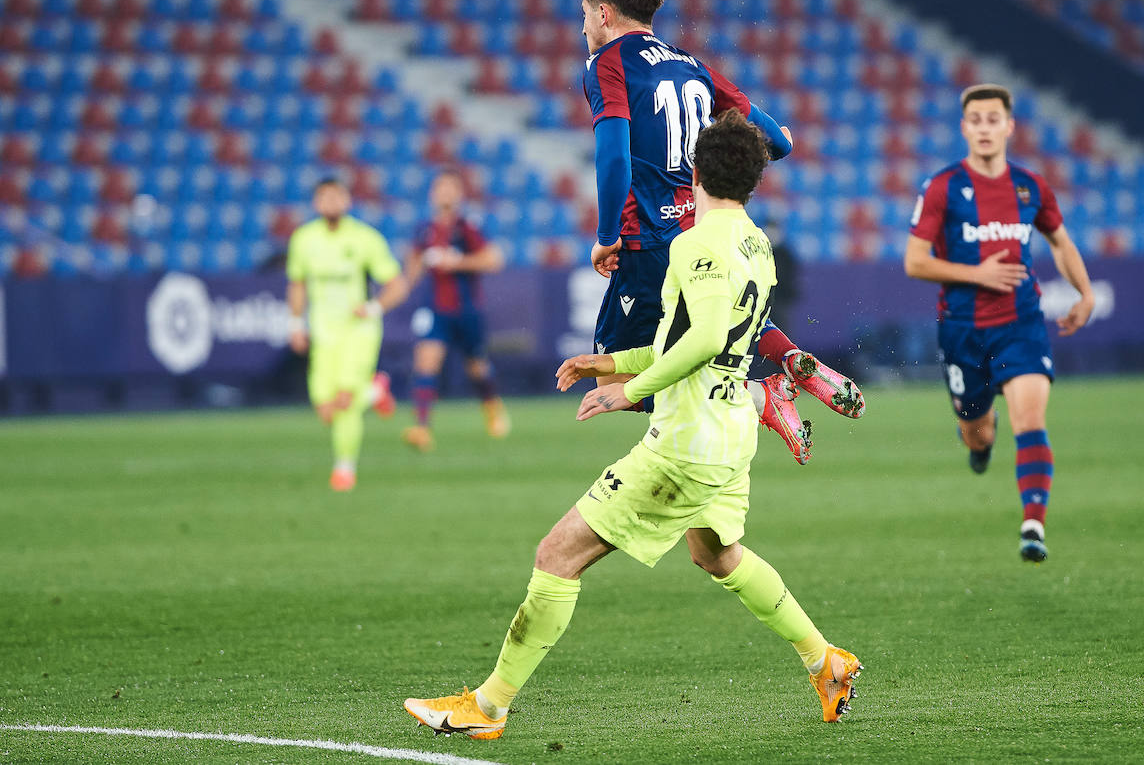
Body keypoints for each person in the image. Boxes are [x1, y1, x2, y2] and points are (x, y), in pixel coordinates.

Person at [403, 111, 862, 740]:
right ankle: (825, 660)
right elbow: (698, 337)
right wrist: (610, 362)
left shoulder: (696, 244)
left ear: (693, 171)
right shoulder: (757, 243)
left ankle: (487, 706)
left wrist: (629, 392)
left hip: (686, 444)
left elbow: (700, 338)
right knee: (715, 551)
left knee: (557, 555)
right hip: (731, 433)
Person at [577, 0, 864, 466]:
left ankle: (762, 396)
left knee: (619, 369)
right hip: (706, 229)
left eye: (586, 16)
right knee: (709, 338)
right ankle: (787, 357)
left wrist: (607, 235)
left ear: (604, 11)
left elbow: (613, 154)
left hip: (650, 240)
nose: (585, 28)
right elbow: (779, 141)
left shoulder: (606, 64)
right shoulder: (691, 65)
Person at [903, 84, 1094, 562]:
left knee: (1030, 419)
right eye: (976, 120)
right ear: (964, 127)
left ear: (1009, 127)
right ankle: (978, 443)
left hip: (1021, 323)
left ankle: (1033, 523)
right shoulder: (943, 187)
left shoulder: (1031, 187)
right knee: (978, 429)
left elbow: (1061, 243)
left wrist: (1085, 293)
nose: (985, 128)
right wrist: (978, 274)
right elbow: (915, 262)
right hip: (963, 330)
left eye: (994, 119)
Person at [286, 178, 410, 491]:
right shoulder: (304, 239)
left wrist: (372, 308)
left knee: (345, 401)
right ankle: (375, 392)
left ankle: (344, 469)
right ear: (316, 203)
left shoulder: (364, 238)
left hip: (358, 333)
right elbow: (297, 283)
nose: (330, 202)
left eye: (336, 196)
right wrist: (296, 324)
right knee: (325, 408)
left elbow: (397, 284)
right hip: (323, 333)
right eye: (324, 197)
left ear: (347, 201)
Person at [401, 171, 509, 450]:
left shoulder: (468, 226)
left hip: (467, 309)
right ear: (432, 194)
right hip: (435, 308)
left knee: (476, 366)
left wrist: (456, 262)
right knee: (426, 361)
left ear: (459, 194)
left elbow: (494, 260)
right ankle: (421, 427)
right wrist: (405, 281)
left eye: (450, 188)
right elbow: (412, 264)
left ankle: (493, 410)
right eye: (440, 188)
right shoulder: (424, 229)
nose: (445, 193)